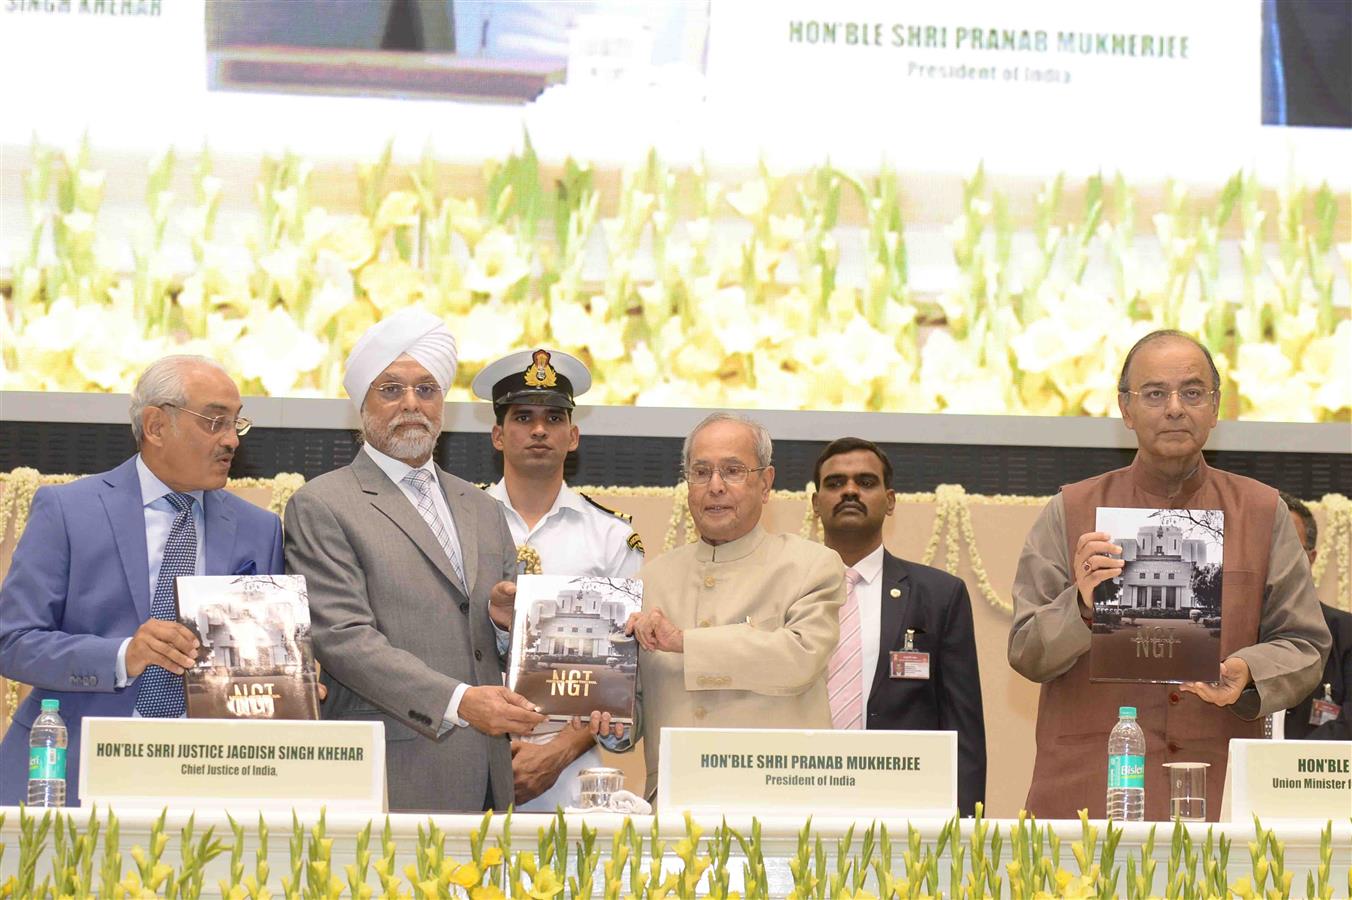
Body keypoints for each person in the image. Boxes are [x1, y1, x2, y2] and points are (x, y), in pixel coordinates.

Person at [1009, 329, 1330, 821]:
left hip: (1215, 789)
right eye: (1155, 393)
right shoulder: (1072, 510)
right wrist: (1082, 606)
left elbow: (1304, 644)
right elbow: (1027, 651)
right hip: (1090, 792)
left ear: (1216, 408)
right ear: (1126, 410)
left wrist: (1248, 674)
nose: (1175, 407)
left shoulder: (1262, 512)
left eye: (1193, 392)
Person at [285, 308, 547, 812]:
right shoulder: (324, 504)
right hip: (393, 771)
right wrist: (459, 702)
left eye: (426, 390)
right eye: (391, 390)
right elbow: (342, 638)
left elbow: (499, 647)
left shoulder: (484, 508)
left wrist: (504, 625)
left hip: (490, 777)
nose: (411, 403)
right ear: (361, 405)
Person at [0, 355, 282, 805]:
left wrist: (287, 686)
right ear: (155, 425)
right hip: (73, 770)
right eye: (214, 422)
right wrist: (122, 655)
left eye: (236, 424)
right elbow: (12, 642)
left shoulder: (259, 529)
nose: (231, 440)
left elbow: (256, 664)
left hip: (208, 779)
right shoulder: (68, 511)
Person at [626, 412, 844, 800]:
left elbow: (799, 657)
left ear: (766, 483)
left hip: (777, 809)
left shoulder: (811, 566)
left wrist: (684, 642)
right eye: (700, 472)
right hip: (675, 809)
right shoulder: (651, 581)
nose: (715, 487)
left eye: (733, 471)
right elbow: (636, 707)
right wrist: (609, 719)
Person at [471, 347, 644, 810]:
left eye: (553, 417)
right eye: (523, 417)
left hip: (572, 776)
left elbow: (624, 679)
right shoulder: (457, 524)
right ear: (497, 436)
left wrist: (557, 751)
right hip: (464, 759)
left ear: (573, 435)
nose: (540, 429)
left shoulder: (612, 537)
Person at [811, 437, 987, 816]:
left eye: (866, 482)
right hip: (800, 797)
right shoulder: (785, 591)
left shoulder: (940, 595)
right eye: (836, 483)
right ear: (815, 503)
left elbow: (963, 726)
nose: (851, 491)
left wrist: (967, 828)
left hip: (905, 810)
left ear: (890, 501)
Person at [1278, 492, 1351, 741]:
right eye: (1262, 547)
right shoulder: (1218, 633)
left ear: (1311, 559)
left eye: (1288, 550)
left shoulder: (1346, 635)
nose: (1275, 562)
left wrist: (1285, 767)